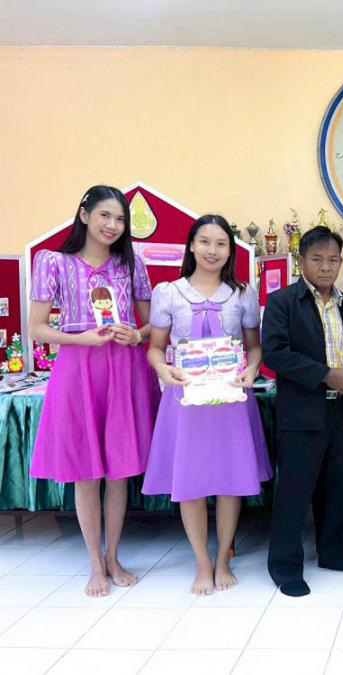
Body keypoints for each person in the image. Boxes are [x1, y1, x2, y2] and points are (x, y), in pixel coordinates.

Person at [28, 185, 159, 597]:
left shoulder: (132, 265)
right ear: (84, 215)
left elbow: (153, 325)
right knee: (86, 472)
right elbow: (36, 328)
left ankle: (114, 556)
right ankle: (94, 564)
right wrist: (81, 338)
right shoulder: (53, 263)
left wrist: (135, 335)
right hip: (77, 369)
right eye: (105, 215)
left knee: (119, 471)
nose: (113, 225)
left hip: (123, 369)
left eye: (120, 219)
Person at [142, 215, 273, 596]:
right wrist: (163, 370)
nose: (212, 250)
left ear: (230, 251)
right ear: (191, 245)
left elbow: (254, 347)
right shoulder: (169, 292)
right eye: (204, 242)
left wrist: (251, 369)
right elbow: (154, 348)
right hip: (186, 401)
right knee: (191, 482)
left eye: (220, 244)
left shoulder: (243, 295)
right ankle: (202, 562)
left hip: (231, 400)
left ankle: (222, 559)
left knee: (231, 481)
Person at [262, 225, 343, 597]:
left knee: (339, 486)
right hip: (302, 413)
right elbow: (275, 354)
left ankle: (334, 552)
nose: (326, 267)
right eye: (317, 259)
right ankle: (285, 567)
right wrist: (324, 375)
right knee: (295, 492)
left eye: (333, 260)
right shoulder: (283, 302)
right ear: (301, 261)